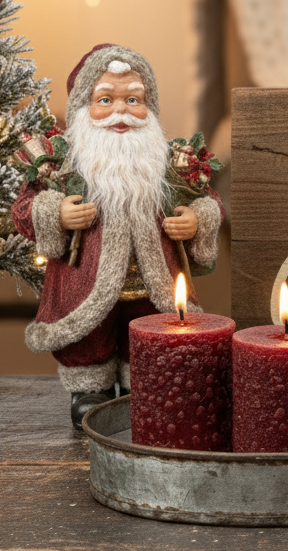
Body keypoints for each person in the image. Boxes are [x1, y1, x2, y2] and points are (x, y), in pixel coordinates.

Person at [12, 44, 223, 428]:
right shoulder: (60, 164)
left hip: (152, 284)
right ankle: (89, 389)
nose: (120, 111)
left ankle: (139, 388)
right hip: (83, 282)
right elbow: (23, 209)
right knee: (87, 336)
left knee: (148, 335)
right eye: (105, 99)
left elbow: (208, 200)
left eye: (133, 99)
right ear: (83, 108)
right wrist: (55, 212)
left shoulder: (168, 161)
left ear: (150, 107)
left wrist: (196, 219)